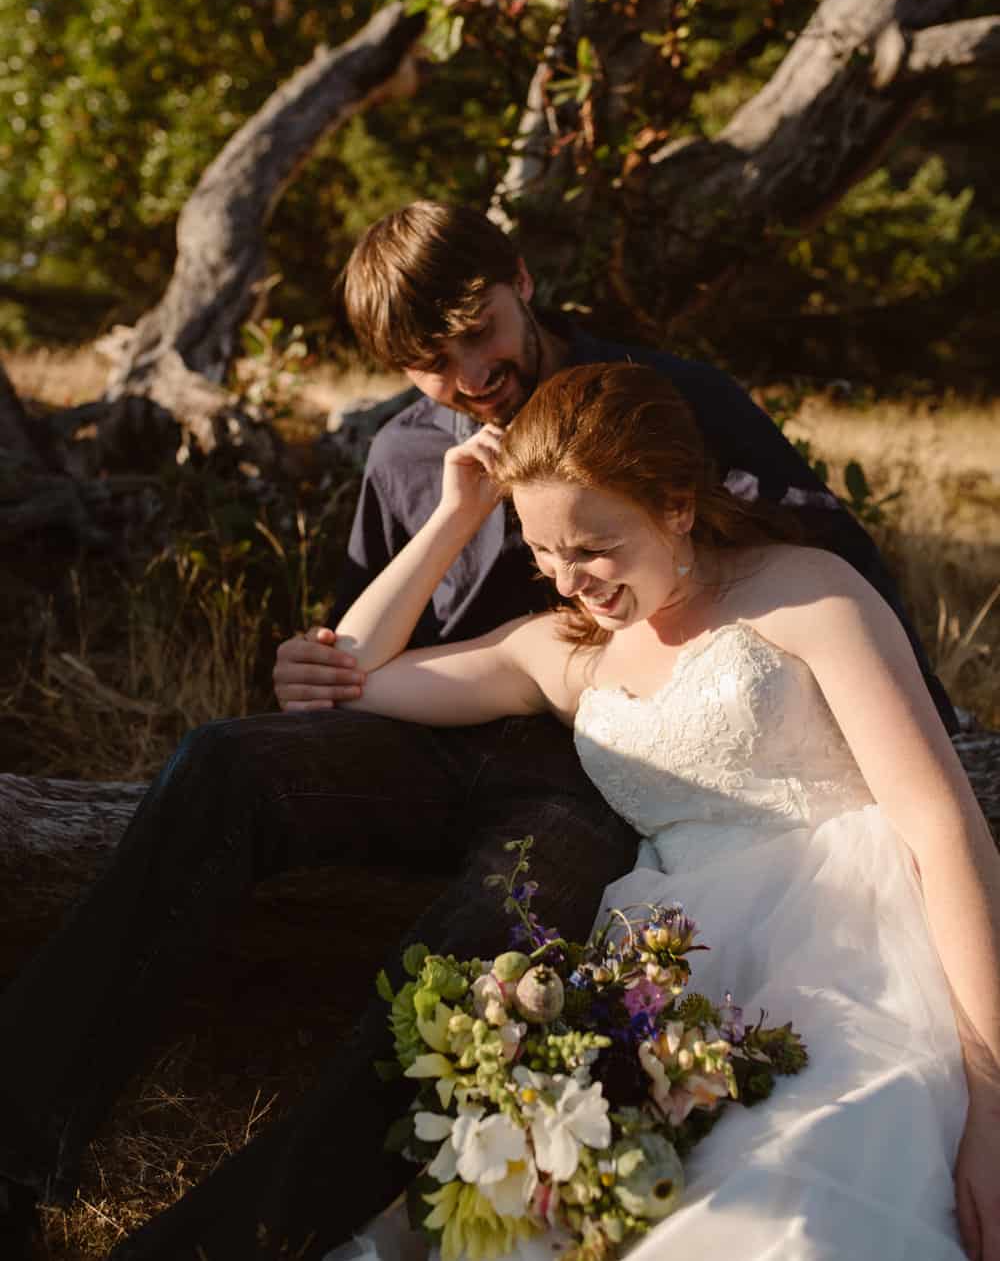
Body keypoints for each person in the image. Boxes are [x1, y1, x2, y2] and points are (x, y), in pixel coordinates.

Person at [0, 204, 957, 1260]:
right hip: (433, 730)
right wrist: (444, 526)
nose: (466, 372)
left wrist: (925, 728)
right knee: (222, 761)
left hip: (598, 771)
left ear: (521, 281)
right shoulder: (407, 445)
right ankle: (18, 1144)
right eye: (426, 361)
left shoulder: (665, 400)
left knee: (474, 949)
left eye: (477, 331)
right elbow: (353, 657)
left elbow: (826, 566)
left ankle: (239, 1237)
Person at [328, 361, 1000, 1261]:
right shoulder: (566, 655)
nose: (571, 581)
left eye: (594, 546)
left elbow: (944, 831)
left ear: (677, 505)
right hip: (668, 979)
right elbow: (356, 673)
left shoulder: (809, 594)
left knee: (794, 1199)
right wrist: (458, 513)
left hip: (856, 952)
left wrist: (992, 1096)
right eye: (543, 553)